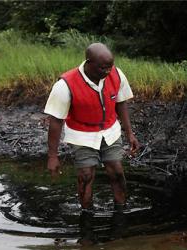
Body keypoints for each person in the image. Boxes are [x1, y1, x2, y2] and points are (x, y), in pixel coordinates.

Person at [45, 43, 140, 212]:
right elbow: (56, 121)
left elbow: (121, 104)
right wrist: (53, 156)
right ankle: (87, 216)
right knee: (86, 176)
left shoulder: (116, 75)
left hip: (110, 131)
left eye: (110, 67)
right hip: (81, 135)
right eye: (103, 68)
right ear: (88, 63)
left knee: (117, 172)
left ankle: (121, 210)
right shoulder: (65, 84)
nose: (107, 72)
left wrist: (130, 133)